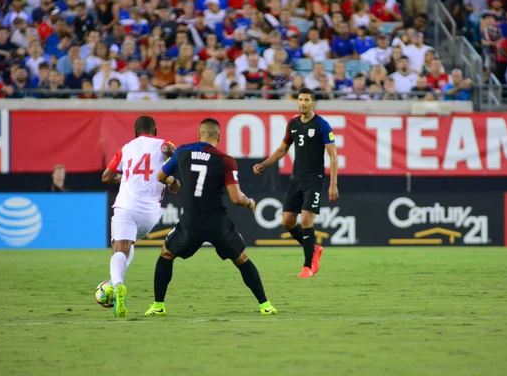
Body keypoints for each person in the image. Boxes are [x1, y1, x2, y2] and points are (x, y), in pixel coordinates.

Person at [145, 118, 277, 317]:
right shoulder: (225, 160)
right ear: (219, 137)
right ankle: (265, 305)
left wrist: (175, 181)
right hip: (218, 222)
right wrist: (249, 202)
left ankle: (158, 306)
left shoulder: (182, 151)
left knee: (166, 254)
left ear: (198, 134)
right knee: (242, 260)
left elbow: (160, 176)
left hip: (191, 222)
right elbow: (235, 198)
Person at [253, 88, 339, 278]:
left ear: (313, 103)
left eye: (307, 100)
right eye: (300, 99)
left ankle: (308, 266)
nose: (303, 103)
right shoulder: (292, 123)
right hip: (296, 178)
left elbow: (333, 155)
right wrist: (264, 164)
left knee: (307, 218)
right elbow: (282, 149)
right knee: (287, 221)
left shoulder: (322, 125)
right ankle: (314, 249)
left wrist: (333, 184)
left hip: (314, 178)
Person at [99, 116, 176, 318]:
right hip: (150, 214)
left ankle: (116, 285)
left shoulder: (125, 148)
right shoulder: (162, 144)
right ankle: (113, 283)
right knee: (129, 245)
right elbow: (170, 150)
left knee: (120, 249)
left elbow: (106, 177)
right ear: (155, 130)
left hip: (126, 206)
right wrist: (171, 177)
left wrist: (123, 175)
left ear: (135, 131)